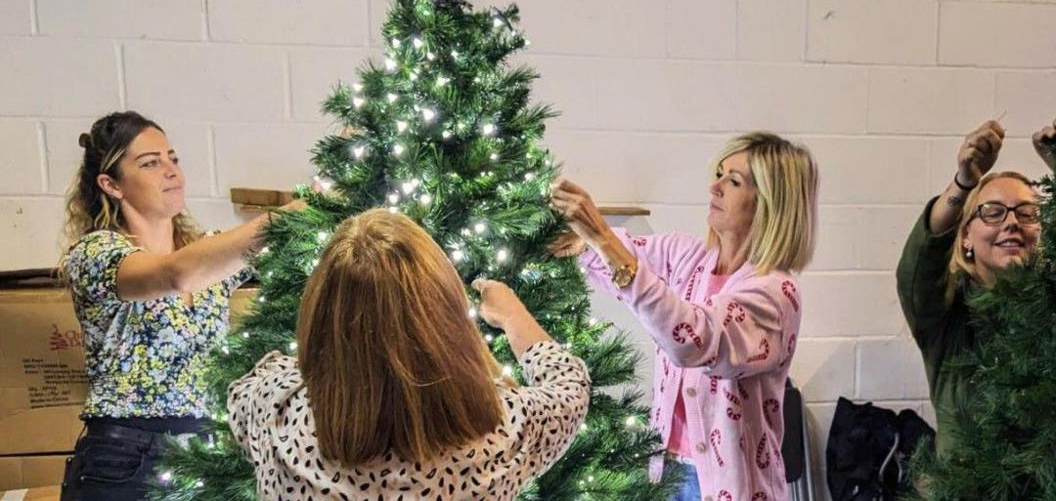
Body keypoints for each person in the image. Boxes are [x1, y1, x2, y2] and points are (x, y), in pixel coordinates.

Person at [227, 209, 591, 501]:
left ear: (321, 312)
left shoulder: (272, 405)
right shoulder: (501, 432)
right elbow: (571, 387)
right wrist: (514, 316)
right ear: (446, 313)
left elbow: (249, 401)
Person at [551, 131, 818, 501]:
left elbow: (694, 341)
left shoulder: (774, 294)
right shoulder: (684, 257)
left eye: (734, 181)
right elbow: (604, 259)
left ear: (769, 203)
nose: (715, 187)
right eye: (719, 174)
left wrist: (601, 234)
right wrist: (566, 231)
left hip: (729, 488)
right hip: (666, 474)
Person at [59, 111, 301, 501]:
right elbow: (177, 275)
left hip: (207, 457)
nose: (171, 171)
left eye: (173, 158)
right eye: (150, 163)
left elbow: (288, 249)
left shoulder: (206, 255)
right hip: (126, 460)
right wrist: (289, 214)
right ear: (111, 184)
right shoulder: (95, 253)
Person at [896, 118, 1056, 454]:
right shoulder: (946, 314)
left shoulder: (1048, 307)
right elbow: (918, 269)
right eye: (993, 212)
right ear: (965, 235)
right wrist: (964, 182)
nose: (1012, 222)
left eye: (1027, 213)